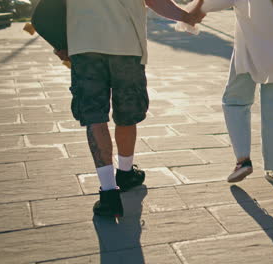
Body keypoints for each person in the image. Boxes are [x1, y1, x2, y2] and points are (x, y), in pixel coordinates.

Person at [56, 0, 205, 217]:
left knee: (95, 117)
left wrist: (59, 41)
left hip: (83, 44)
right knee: (127, 114)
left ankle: (108, 194)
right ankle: (125, 173)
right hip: (125, 44)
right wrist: (186, 16)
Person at [179, 0, 273, 187]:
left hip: (249, 51)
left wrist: (189, 15)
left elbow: (210, 3)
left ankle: (243, 161)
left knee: (235, 102)